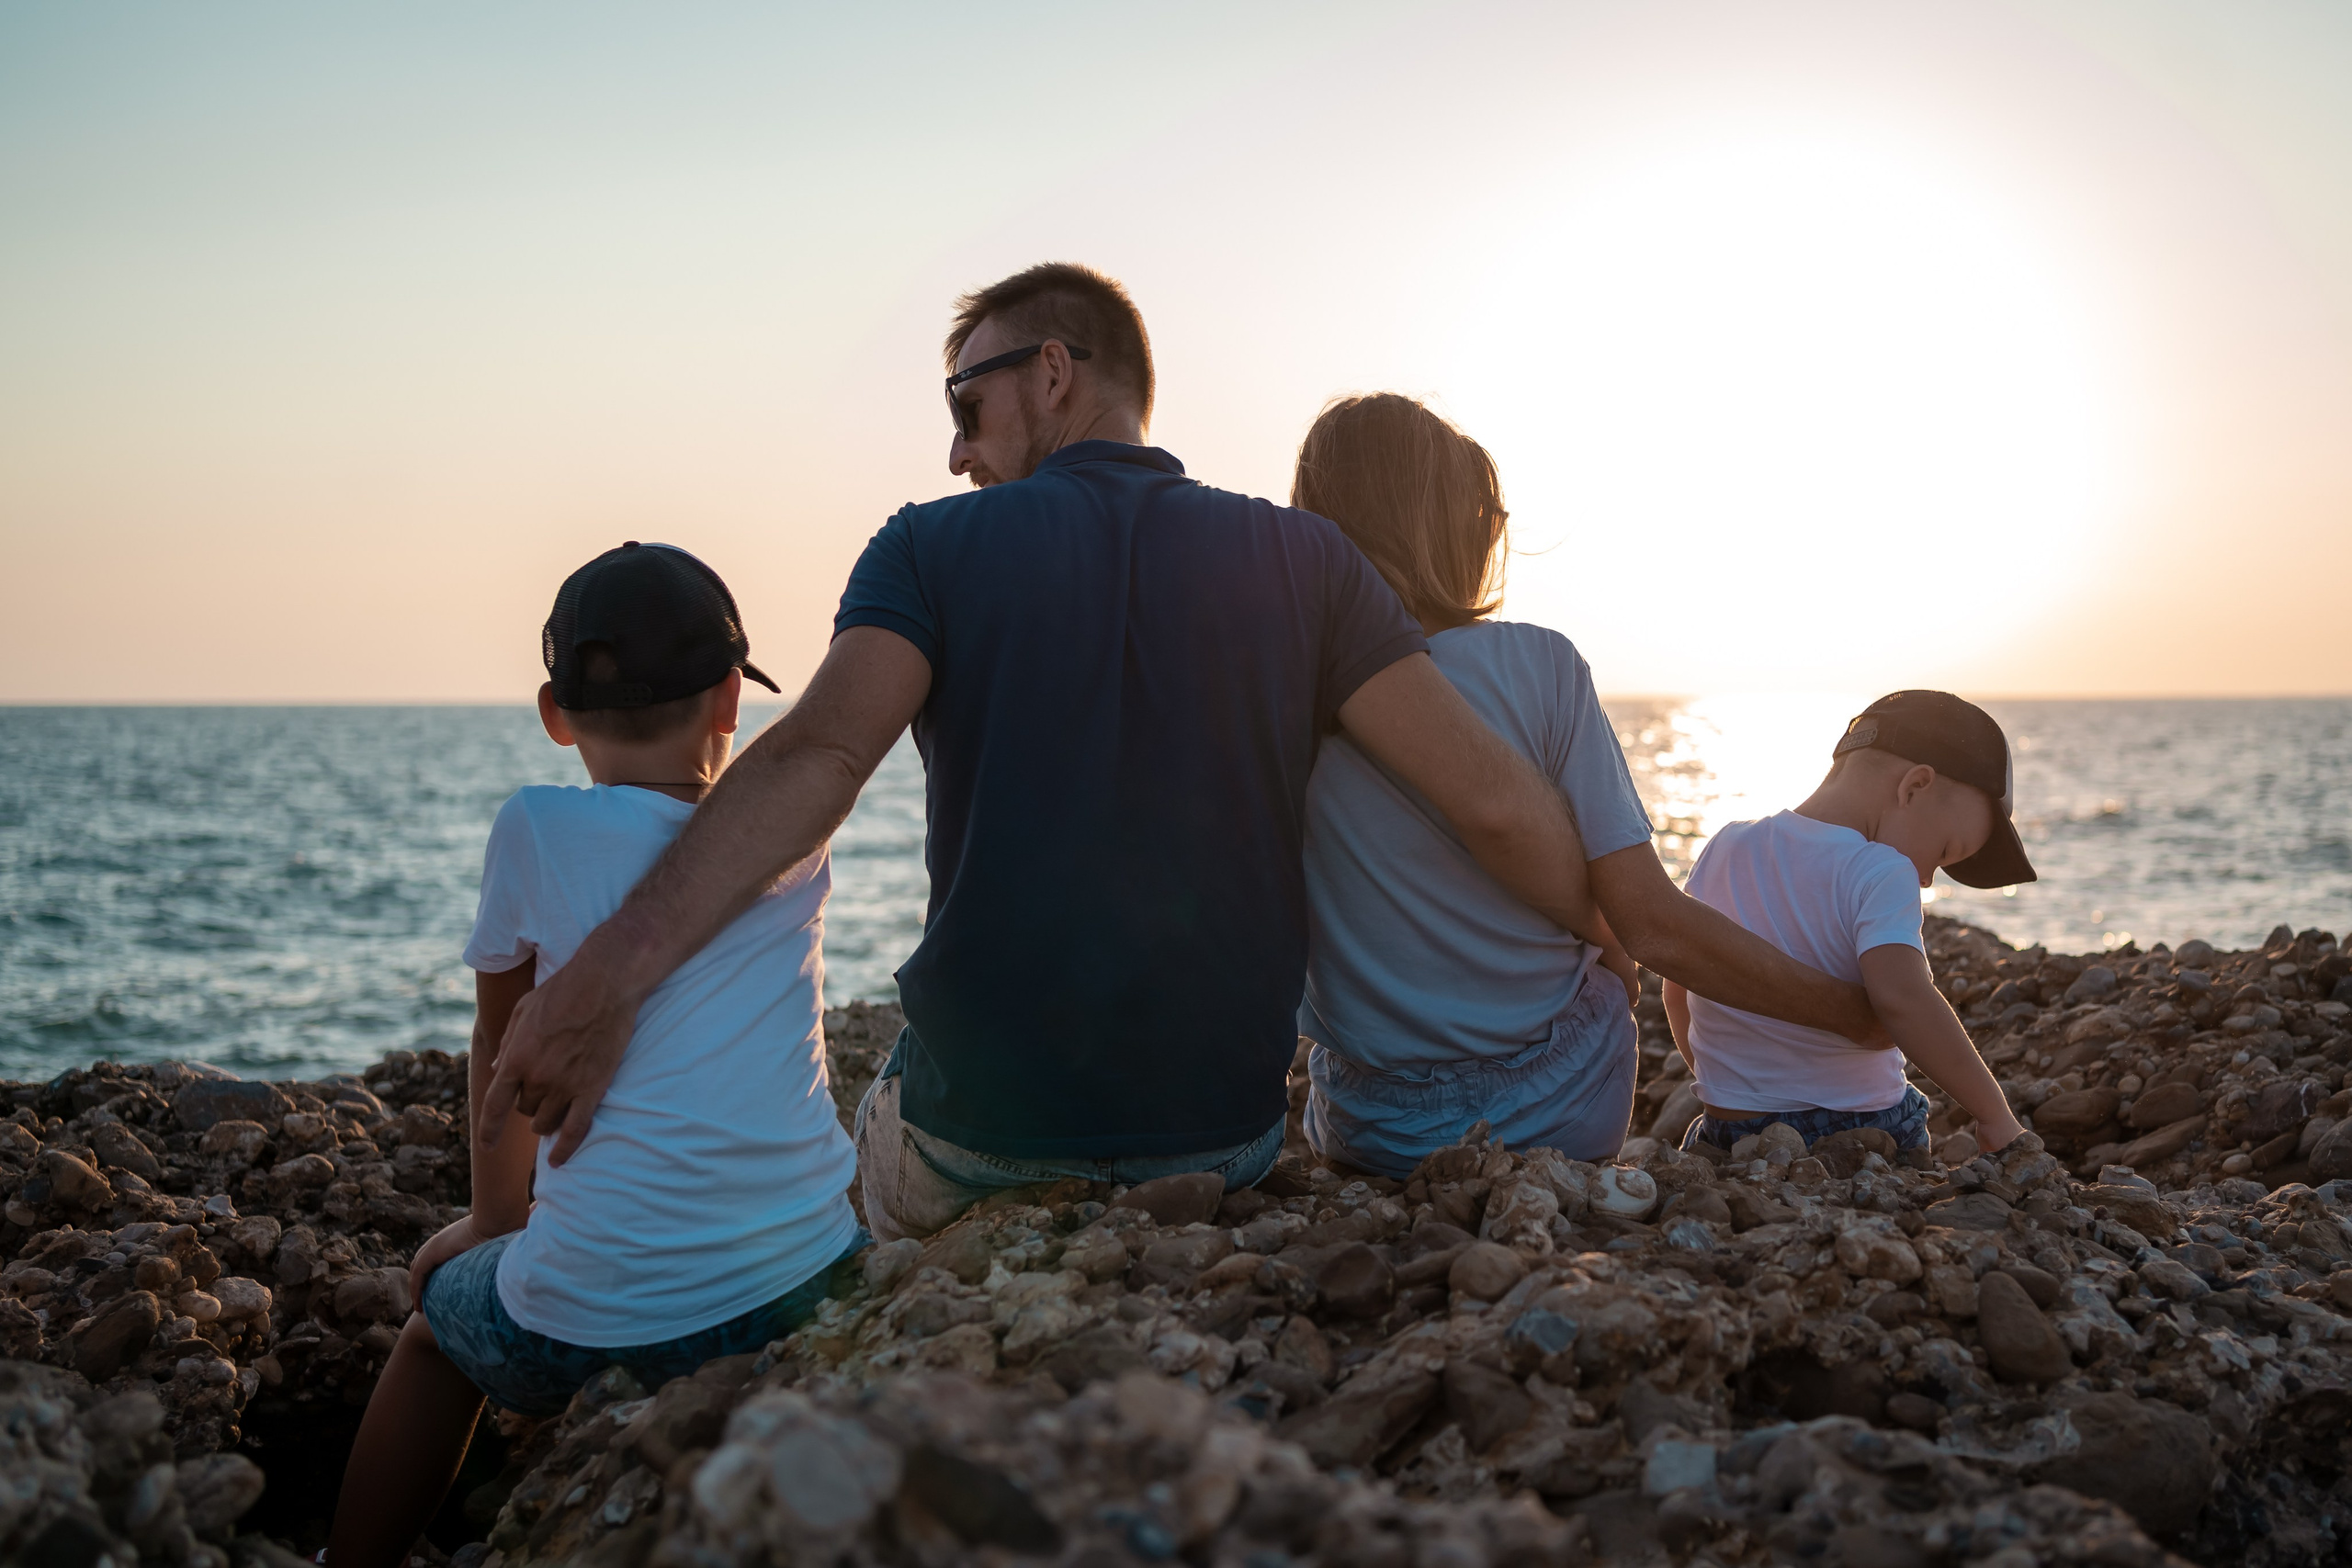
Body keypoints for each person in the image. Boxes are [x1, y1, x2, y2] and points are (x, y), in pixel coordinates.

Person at [481, 260, 1696, 1245]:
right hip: (1221, 1141)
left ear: (1053, 372)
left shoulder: (928, 549)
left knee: (869, 1125)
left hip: (981, 1143)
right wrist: (1605, 915)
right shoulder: (1308, 561)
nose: (957, 450)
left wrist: (604, 976)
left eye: (967, 404)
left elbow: (817, 758)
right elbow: (1483, 793)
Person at [326, 544, 864, 1565]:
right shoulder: (798, 839)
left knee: (437, 1336)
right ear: (727, 702)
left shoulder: (533, 826)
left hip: (594, 1314)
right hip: (808, 1276)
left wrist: (489, 1225)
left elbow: (504, 1039)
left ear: (553, 712)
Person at [1289, 394, 1892, 1177]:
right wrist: (1855, 1013)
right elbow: (1653, 926)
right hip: (1549, 1111)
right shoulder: (1538, 665)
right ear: (1450, 524)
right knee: (1611, 971)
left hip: (1370, 1125)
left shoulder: (1286, 686)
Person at [1664, 690, 2034, 1155]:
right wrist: (1996, 1117)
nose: (1924, 879)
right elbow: (1903, 999)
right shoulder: (1881, 870)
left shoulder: (1725, 844)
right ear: (1914, 787)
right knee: (1914, 1113)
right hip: (1849, 1128)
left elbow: (1679, 988)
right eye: (1943, 853)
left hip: (1725, 1130)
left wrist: (1732, 1089)